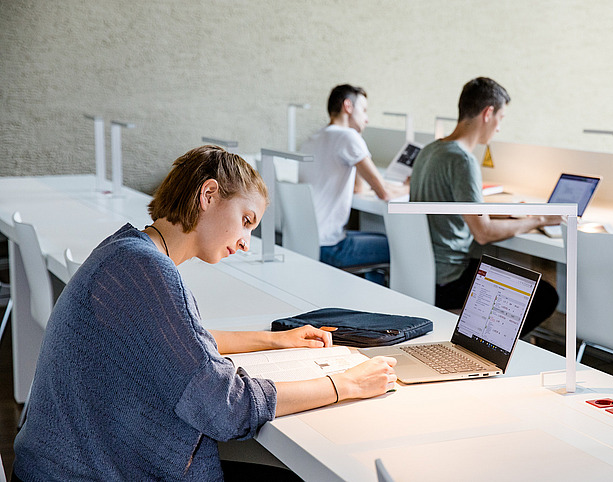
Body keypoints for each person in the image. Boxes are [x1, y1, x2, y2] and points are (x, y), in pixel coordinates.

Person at [12, 145, 397, 481]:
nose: (246, 243)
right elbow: (226, 408)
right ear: (209, 194)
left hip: (58, 465)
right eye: (246, 221)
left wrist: (274, 340)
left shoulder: (129, 250)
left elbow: (180, 343)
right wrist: (346, 385)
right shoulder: (147, 270)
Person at [409, 77, 561, 337]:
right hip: (448, 278)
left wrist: (514, 214)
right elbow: (483, 232)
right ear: (488, 113)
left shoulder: (430, 150)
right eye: (501, 118)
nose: (499, 128)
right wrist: (538, 220)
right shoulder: (462, 160)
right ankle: (483, 345)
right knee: (545, 295)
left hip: (421, 272)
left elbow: (455, 206)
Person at [299, 84, 408, 283]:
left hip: (306, 244)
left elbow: (359, 188)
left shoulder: (313, 138)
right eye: (364, 110)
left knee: (376, 238)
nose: (367, 118)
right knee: (398, 244)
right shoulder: (348, 136)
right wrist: (410, 186)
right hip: (330, 248)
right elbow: (384, 193)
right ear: (348, 106)